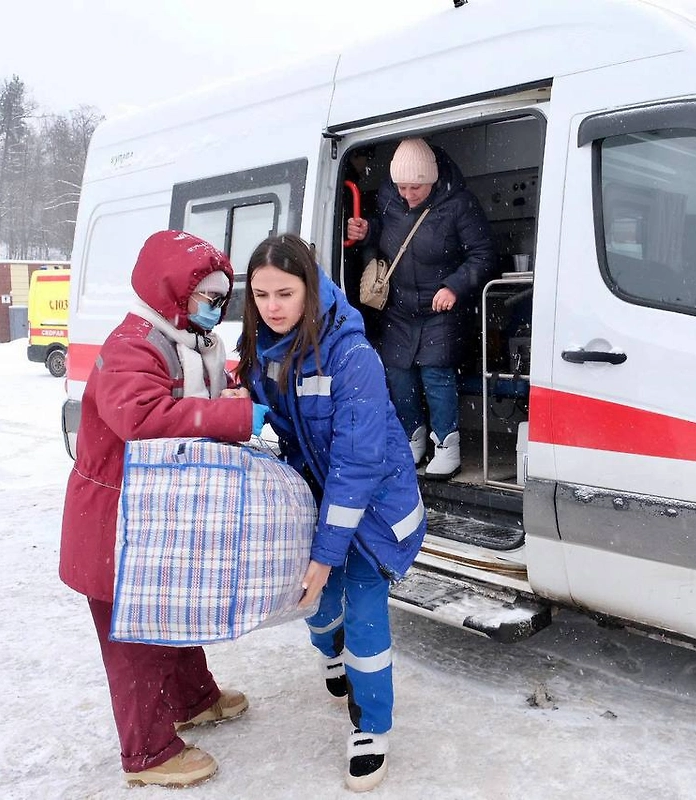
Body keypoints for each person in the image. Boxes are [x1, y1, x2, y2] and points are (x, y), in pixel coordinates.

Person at [59, 230, 268, 788]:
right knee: (134, 638)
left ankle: (194, 698)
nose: (215, 309)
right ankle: (148, 753)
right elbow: (143, 418)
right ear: (173, 292)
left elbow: (192, 387)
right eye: (207, 297)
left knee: (171, 609)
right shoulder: (134, 345)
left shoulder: (184, 339)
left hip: (150, 517)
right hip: (111, 525)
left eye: (222, 300)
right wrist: (236, 418)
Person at [234, 233, 427, 792]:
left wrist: (325, 551)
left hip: (369, 507)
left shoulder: (352, 355)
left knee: (362, 610)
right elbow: (264, 411)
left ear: (310, 291)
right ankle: (330, 652)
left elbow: (357, 464)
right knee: (314, 602)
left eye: (285, 293)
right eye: (261, 294)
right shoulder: (263, 349)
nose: (272, 306)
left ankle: (372, 726)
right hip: (314, 497)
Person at [346, 137, 496, 479]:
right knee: (398, 374)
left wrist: (454, 286)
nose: (408, 195)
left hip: (440, 307)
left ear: (431, 180)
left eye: (416, 187)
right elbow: (383, 237)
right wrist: (367, 230)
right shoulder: (388, 198)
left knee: (435, 373)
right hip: (399, 306)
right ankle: (411, 437)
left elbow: (483, 254)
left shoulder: (458, 204)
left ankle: (446, 444)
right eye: (402, 187)